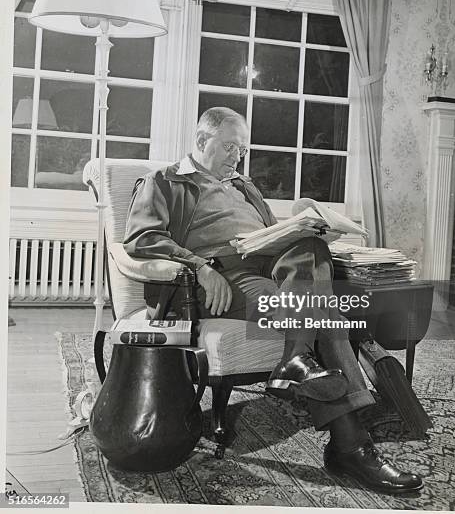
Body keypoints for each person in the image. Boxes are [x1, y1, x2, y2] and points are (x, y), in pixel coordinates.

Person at [123, 107, 423, 495]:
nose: (236, 157)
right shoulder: (164, 181)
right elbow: (140, 239)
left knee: (310, 247)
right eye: (229, 146)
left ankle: (295, 360)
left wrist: (301, 231)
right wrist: (199, 266)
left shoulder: (243, 186)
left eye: (242, 150)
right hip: (224, 278)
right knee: (327, 313)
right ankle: (350, 444)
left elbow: (269, 234)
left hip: (268, 266)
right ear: (201, 140)